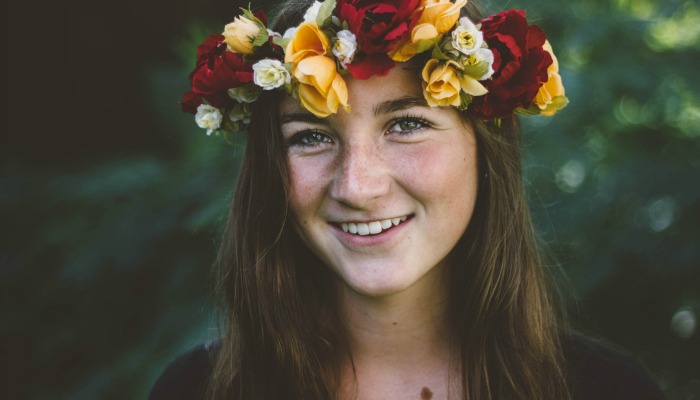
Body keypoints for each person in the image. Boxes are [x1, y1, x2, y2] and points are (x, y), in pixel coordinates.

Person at [151, 0, 666, 399]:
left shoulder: (606, 388)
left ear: (487, 151)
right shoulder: (196, 391)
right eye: (310, 136)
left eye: (407, 124)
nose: (358, 186)